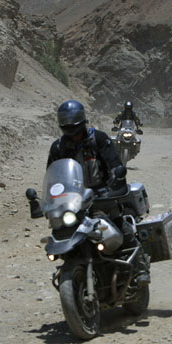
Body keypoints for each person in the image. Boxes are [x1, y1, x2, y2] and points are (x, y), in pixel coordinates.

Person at [47, 100, 150, 285]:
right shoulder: (58, 147)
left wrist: (117, 178)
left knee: (121, 225)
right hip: (73, 200)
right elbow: (52, 175)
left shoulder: (99, 139)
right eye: (67, 128)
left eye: (75, 128)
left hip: (102, 195)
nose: (73, 133)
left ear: (83, 123)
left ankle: (141, 267)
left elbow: (115, 163)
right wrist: (47, 200)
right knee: (61, 231)